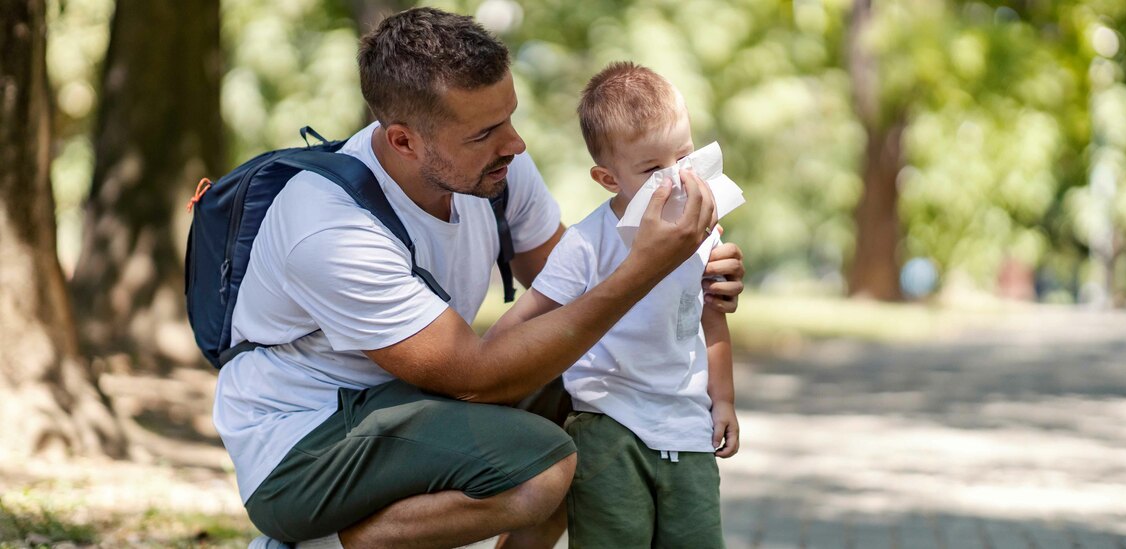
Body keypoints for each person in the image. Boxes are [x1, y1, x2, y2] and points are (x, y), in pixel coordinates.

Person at [216, 7, 746, 549]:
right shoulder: (331, 229)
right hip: (305, 445)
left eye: (509, 117)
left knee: (592, 395)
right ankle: (329, 543)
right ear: (404, 142)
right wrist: (645, 268)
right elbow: (473, 376)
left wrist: (691, 276)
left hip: (408, 407)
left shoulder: (496, 171)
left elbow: (577, 290)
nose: (515, 144)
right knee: (541, 467)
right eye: (485, 132)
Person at [485, 62, 739, 548]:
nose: (675, 179)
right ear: (608, 178)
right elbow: (526, 316)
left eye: (684, 157)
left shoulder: (700, 231)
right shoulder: (586, 244)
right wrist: (479, 369)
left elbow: (711, 321)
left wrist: (723, 400)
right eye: (652, 170)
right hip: (608, 424)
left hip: (687, 426)